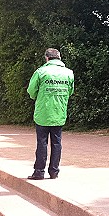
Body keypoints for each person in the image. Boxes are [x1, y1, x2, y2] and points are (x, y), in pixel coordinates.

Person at [26, 48, 74, 180]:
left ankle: (39, 172)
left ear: (47, 58)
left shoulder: (41, 72)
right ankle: (54, 172)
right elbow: (70, 91)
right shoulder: (69, 73)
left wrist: (39, 96)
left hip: (43, 113)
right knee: (57, 143)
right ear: (59, 58)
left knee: (42, 143)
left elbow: (31, 91)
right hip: (59, 112)